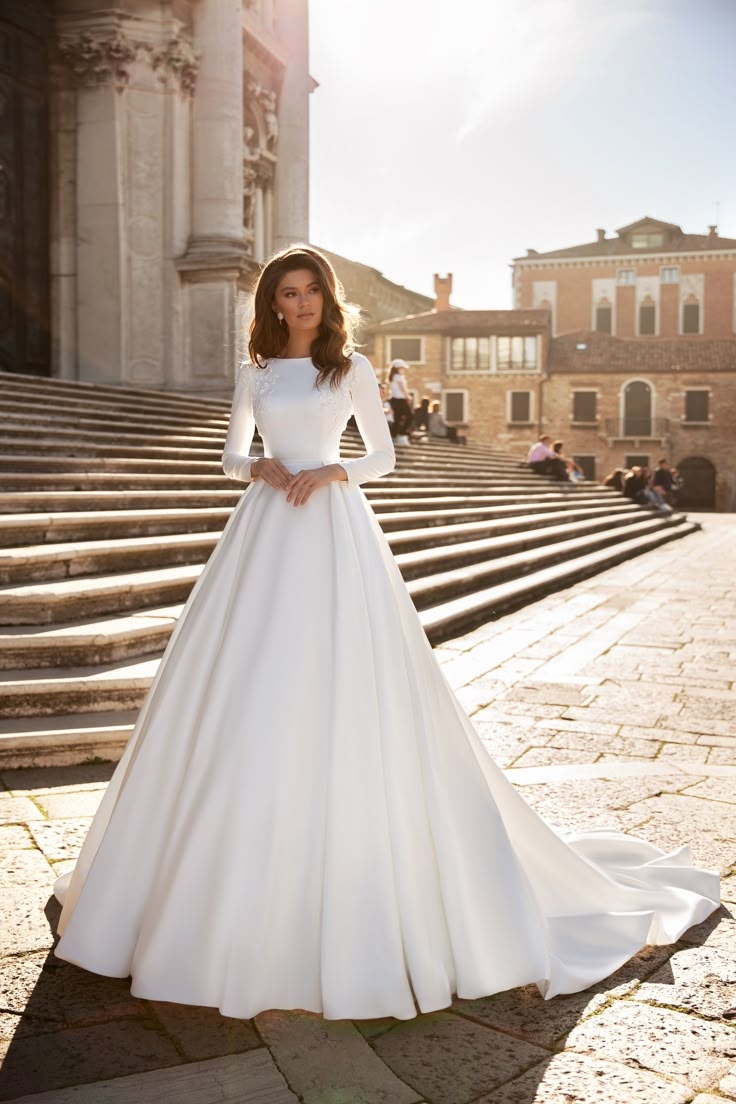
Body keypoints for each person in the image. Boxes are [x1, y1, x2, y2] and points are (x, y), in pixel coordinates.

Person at [52, 245, 719, 1023]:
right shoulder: (259, 371)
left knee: (343, 681)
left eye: (307, 293)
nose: (297, 305)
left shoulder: (352, 370)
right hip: (265, 528)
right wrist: (261, 468)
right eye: (284, 294)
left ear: (325, 299)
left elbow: (385, 455)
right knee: (239, 683)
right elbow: (232, 453)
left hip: (333, 527)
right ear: (269, 302)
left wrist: (330, 472)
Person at [387, 358, 413, 446]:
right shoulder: (398, 376)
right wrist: (408, 397)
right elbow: (402, 388)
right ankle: (402, 433)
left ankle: (394, 435)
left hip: (395, 400)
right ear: (398, 368)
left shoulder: (394, 376)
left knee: (397, 418)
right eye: (402, 368)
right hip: (400, 400)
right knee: (410, 416)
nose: (403, 369)